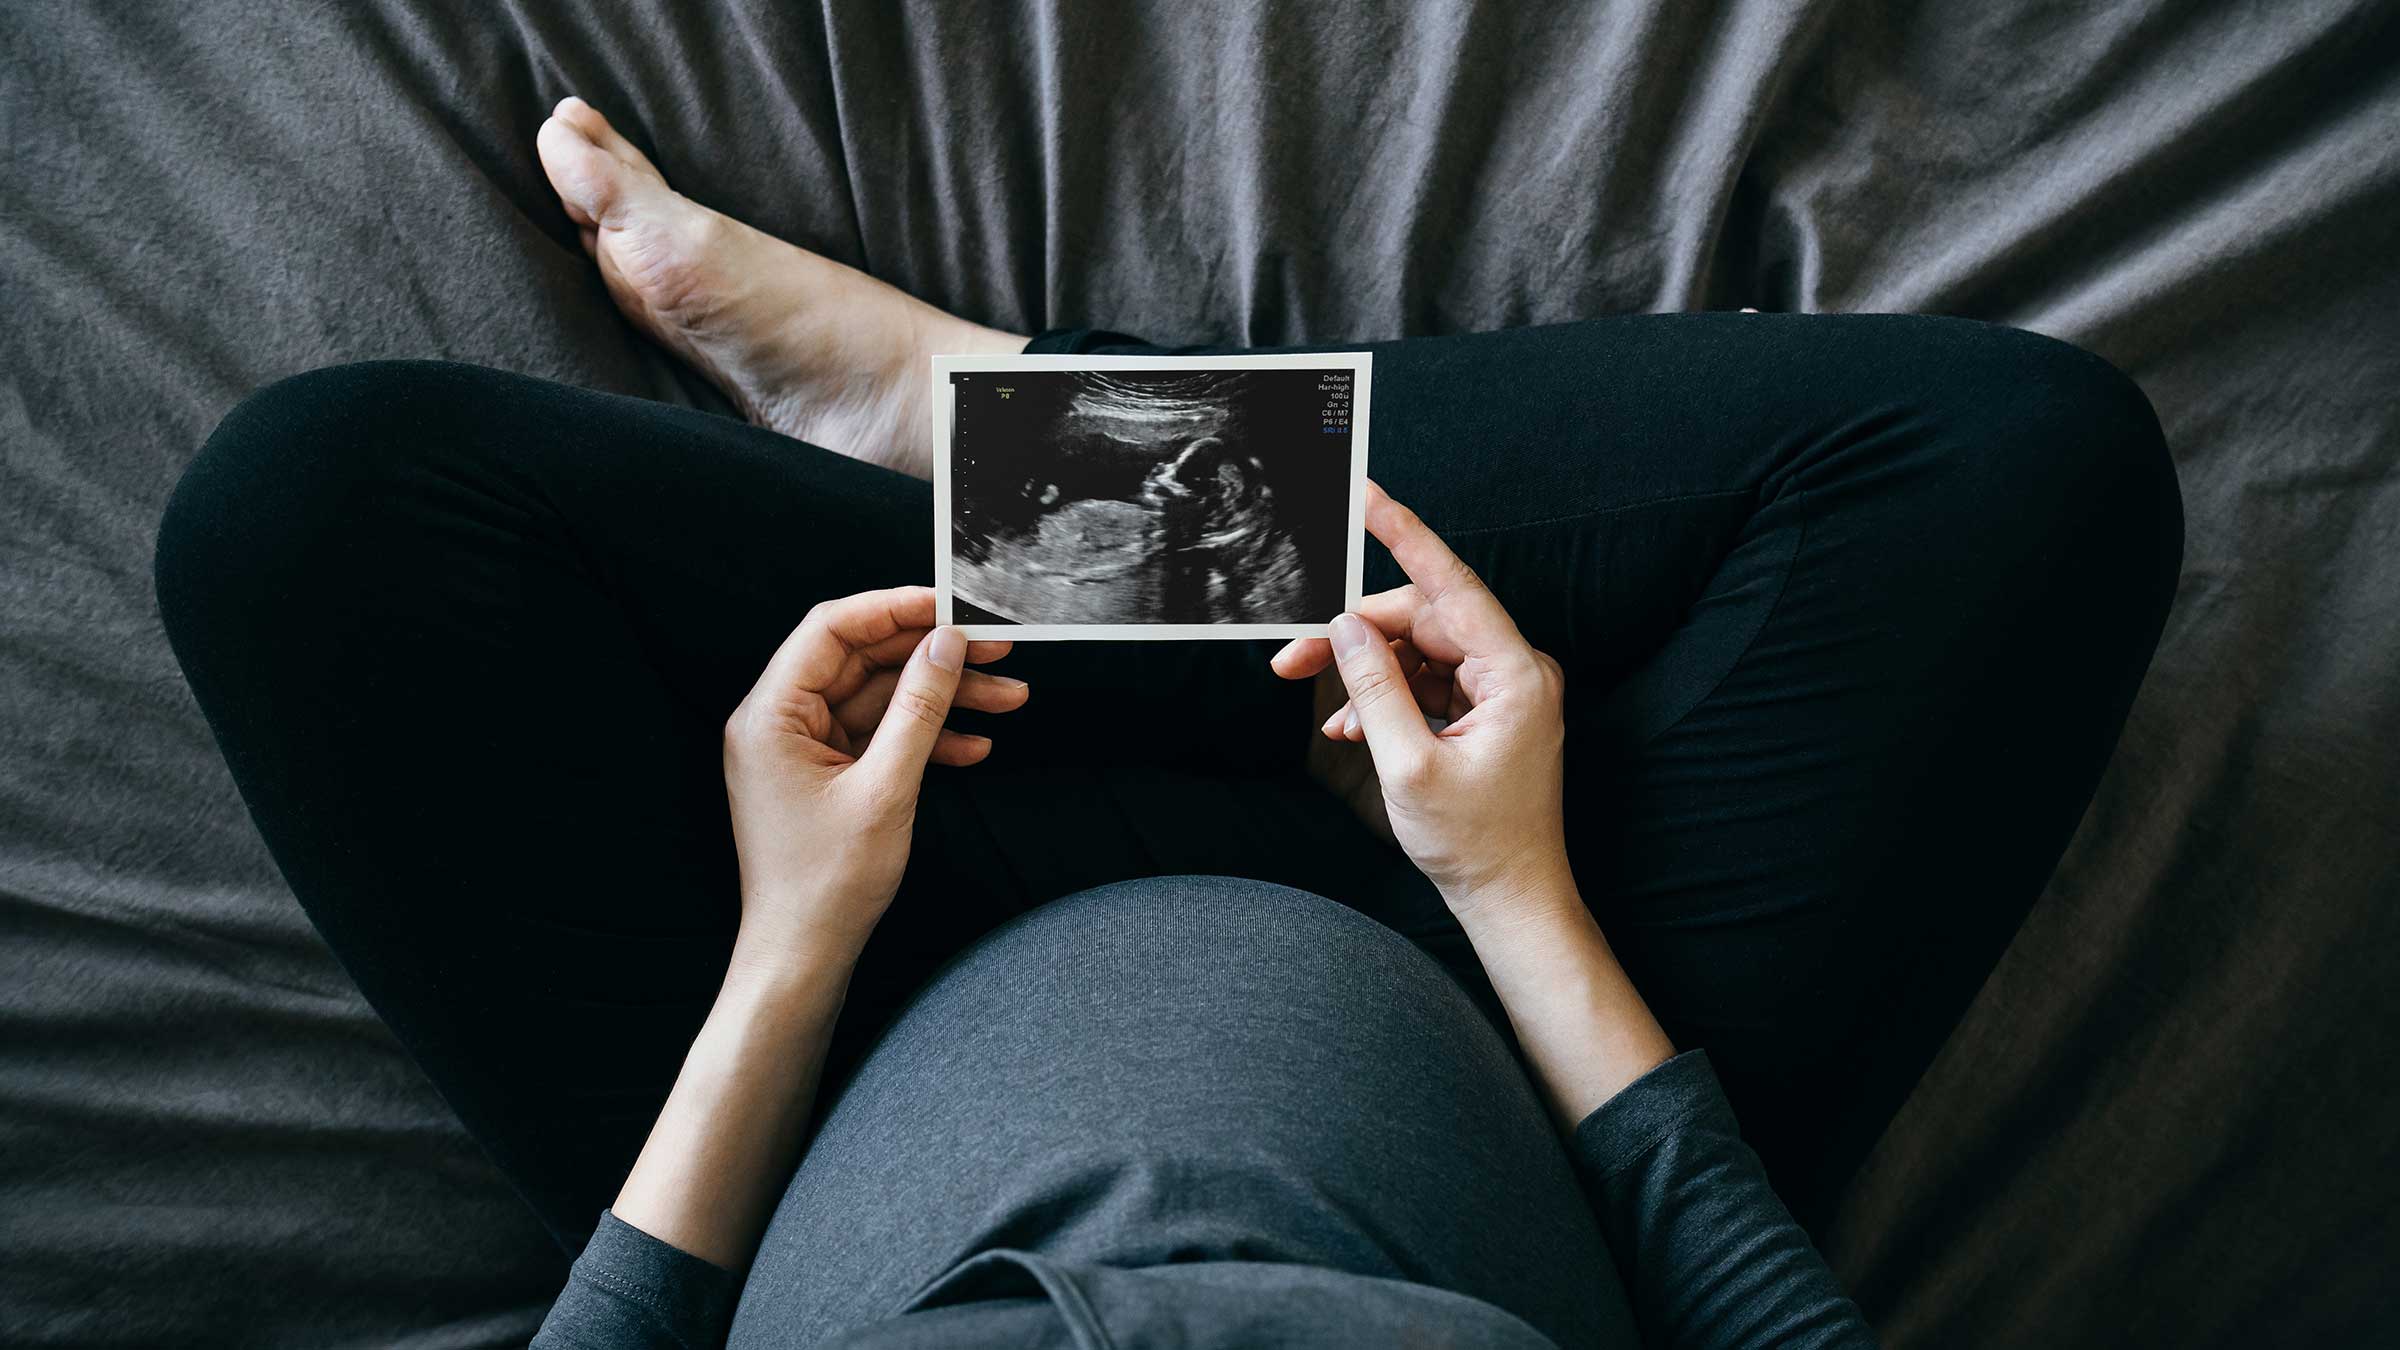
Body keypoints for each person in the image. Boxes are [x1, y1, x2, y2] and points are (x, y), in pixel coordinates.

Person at [153, 98, 2182, 1348]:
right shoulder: (1507, 924)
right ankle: (1006, 432)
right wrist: (1509, 890)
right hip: (1517, 1026)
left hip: (829, 1039)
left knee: (310, 518)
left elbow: (628, 1327)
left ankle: (999, 455)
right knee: (2020, 468)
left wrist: (788, 943)